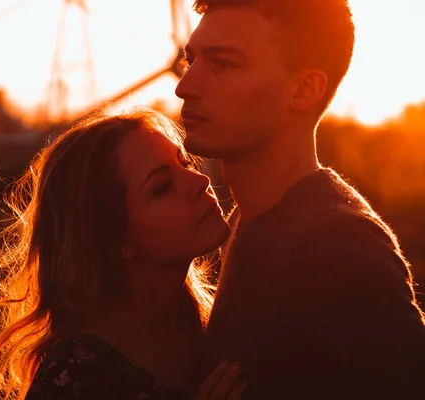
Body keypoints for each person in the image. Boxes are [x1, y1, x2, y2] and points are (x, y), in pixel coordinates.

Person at [175, 0, 425, 399]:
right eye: (192, 61)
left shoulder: (342, 245)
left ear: (304, 89)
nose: (185, 86)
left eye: (222, 64)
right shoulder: (244, 222)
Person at [0, 107, 245, 400]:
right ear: (112, 237)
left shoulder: (212, 321)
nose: (199, 181)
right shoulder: (76, 379)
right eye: (162, 187)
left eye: (185, 162)